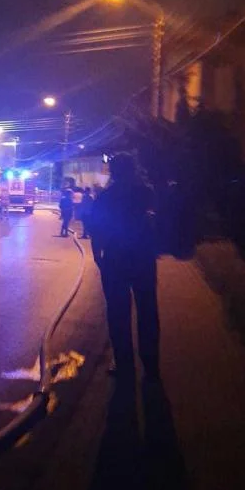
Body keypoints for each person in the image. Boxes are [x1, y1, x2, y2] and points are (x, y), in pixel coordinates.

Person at [90, 152, 160, 383]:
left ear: (113, 171)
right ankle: (150, 364)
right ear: (133, 169)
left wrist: (98, 256)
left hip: (115, 260)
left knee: (118, 313)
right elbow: (157, 223)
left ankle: (123, 363)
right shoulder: (146, 193)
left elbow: (96, 228)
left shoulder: (106, 197)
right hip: (142, 258)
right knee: (147, 311)